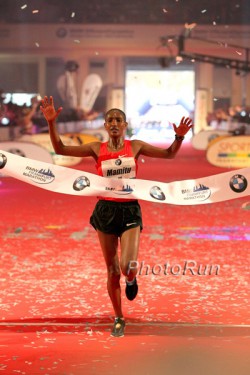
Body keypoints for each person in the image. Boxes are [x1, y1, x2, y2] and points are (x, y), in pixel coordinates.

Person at [40, 96, 193, 337]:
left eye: (118, 119)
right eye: (110, 119)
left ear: (124, 125)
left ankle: (131, 279)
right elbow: (60, 149)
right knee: (111, 271)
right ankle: (119, 317)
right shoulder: (95, 148)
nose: (113, 123)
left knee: (126, 267)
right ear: (105, 125)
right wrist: (51, 123)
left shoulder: (135, 146)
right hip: (105, 212)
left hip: (130, 209)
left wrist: (179, 137)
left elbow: (169, 154)